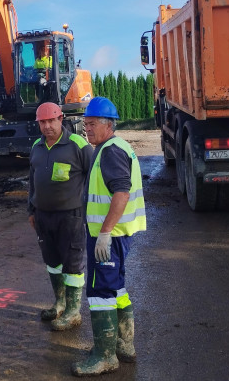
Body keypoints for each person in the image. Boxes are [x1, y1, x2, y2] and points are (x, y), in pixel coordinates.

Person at [71, 97, 146, 377]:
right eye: (85, 124)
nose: (86, 129)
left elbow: (121, 193)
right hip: (117, 235)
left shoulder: (111, 151)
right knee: (117, 288)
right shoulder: (113, 147)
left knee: (101, 292)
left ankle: (105, 356)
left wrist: (103, 234)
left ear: (107, 124)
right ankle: (124, 346)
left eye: (91, 124)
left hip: (108, 238)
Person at [28, 102, 93, 331]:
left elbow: (94, 175)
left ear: (61, 119)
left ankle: (74, 312)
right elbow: (33, 181)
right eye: (42, 122)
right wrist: (31, 209)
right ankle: (60, 303)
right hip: (44, 216)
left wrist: (91, 210)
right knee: (52, 261)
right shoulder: (36, 146)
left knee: (73, 263)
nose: (47, 126)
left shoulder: (78, 145)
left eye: (51, 121)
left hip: (71, 216)